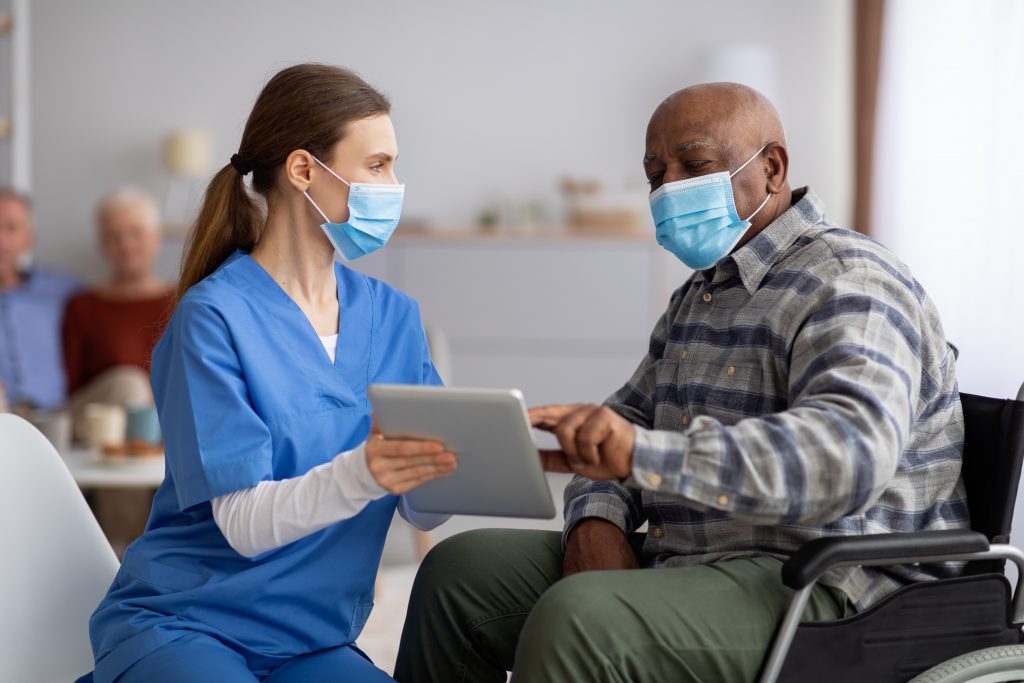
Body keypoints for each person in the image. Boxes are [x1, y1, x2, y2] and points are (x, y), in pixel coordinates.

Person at [394, 83, 968, 682]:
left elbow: (848, 456)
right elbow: (628, 422)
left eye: (693, 166)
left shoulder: (849, 282)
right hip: (697, 555)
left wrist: (641, 456)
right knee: (458, 574)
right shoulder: (702, 292)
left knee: (582, 620)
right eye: (655, 175)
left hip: (834, 586)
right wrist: (597, 521)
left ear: (771, 168)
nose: (669, 190)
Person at [81, 64, 456, 683]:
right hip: (188, 622)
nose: (394, 186)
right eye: (377, 166)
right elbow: (245, 525)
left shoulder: (392, 317)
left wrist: (476, 468)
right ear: (305, 170)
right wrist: (368, 471)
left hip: (311, 638)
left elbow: (423, 511)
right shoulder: (214, 318)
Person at [63, 187, 173, 436]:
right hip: (97, 420)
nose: (126, 245)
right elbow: (71, 385)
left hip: (166, 418)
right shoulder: (82, 305)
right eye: (113, 236)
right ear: (102, 244)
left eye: (136, 233)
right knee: (129, 384)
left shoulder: (182, 301)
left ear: (157, 237)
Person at [0, 188, 79, 413]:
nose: (1, 241)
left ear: (29, 238)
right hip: (3, 418)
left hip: (57, 414)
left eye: (11, 229)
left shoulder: (62, 290)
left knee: (126, 384)